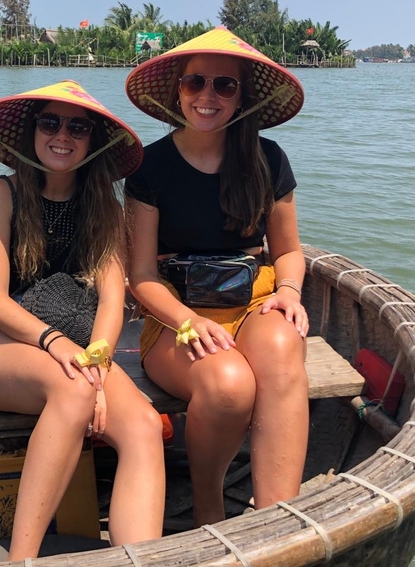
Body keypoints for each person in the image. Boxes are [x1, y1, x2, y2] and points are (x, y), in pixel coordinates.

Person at [0, 80, 165, 559]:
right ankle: (22, 559)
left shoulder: (105, 209)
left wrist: (97, 361)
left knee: (143, 426)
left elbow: (114, 300)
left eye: (78, 127)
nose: (63, 135)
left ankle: (138, 559)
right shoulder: (2, 194)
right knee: (73, 390)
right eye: (50, 123)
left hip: (77, 349)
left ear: (93, 140)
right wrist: (54, 343)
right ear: (33, 132)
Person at [123, 26, 310, 526]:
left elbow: (288, 252)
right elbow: (140, 276)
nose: (208, 96)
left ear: (242, 97)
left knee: (284, 346)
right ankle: (209, 503)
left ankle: (277, 523)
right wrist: (187, 320)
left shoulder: (268, 160)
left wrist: (289, 291)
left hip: (252, 299)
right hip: (175, 316)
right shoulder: (150, 166)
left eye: (224, 86)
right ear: (178, 91)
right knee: (229, 386)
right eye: (195, 83)